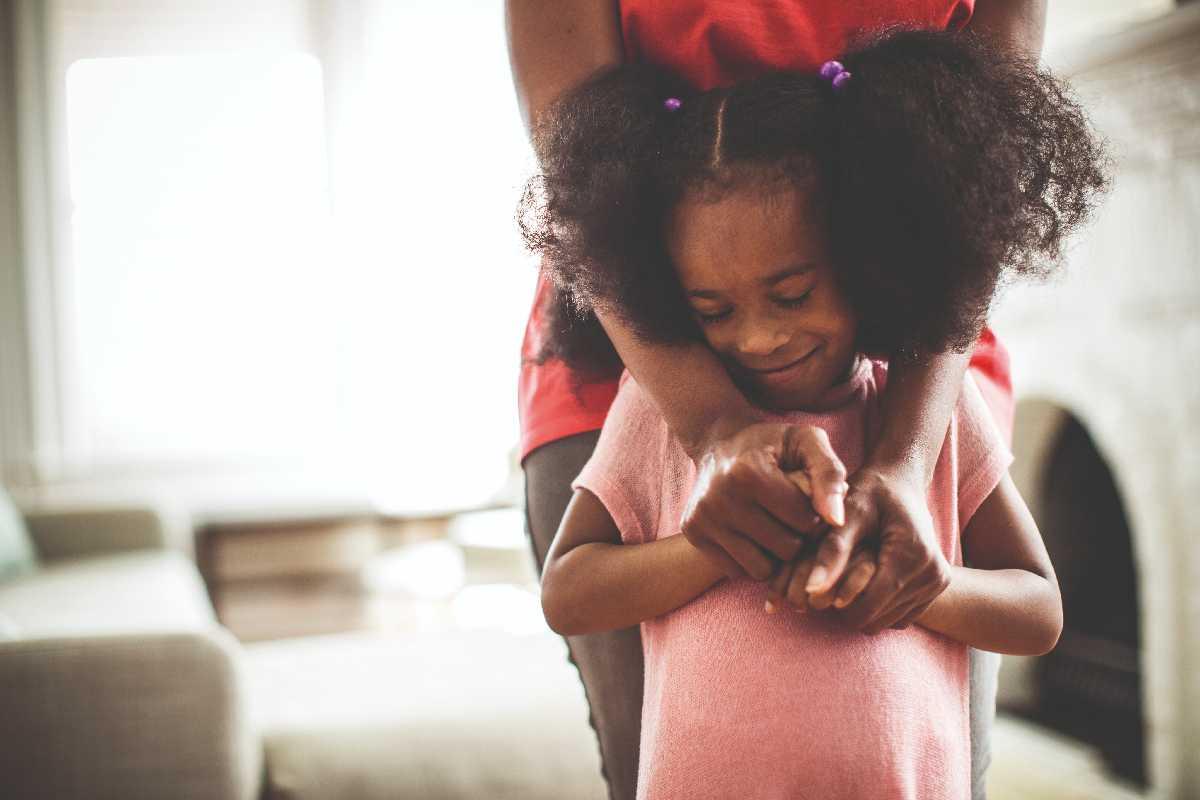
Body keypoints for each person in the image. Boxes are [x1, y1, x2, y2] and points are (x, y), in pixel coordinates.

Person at [528, 29, 1105, 798]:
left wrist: (928, 586)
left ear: (870, 259)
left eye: (792, 295)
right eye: (712, 309)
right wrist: (712, 548)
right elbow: (568, 591)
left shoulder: (937, 411)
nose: (759, 337)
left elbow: (1038, 609)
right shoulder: (655, 414)